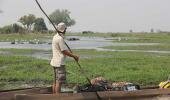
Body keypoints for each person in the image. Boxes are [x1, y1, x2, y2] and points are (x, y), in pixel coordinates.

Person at [50, 22, 79, 94]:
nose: (66, 30)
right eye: (65, 29)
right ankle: (58, 97)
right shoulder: (60, 38)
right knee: (59, 82)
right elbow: (64, 51)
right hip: (59, 63)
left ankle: (54, 97)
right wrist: (74, 56)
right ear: (63, 29)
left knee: (55, 81)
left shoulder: (55, 37)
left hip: (54, 62)